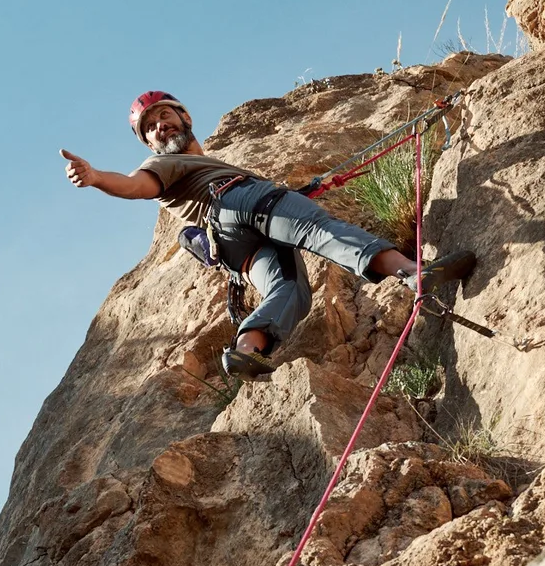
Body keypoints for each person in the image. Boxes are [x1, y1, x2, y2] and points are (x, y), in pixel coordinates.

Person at [61, 91, 475, 378]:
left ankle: (246, 353)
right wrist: (97, 178)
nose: (160, 127)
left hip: (233, 243)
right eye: (150, 127)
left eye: (164, 117)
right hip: (240, 202)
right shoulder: (162, 166)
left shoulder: (195, 165)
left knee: (290, 291)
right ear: (149, 144)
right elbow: (135, 186)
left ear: (185, 118)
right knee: (319, 230)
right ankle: (412, 272)